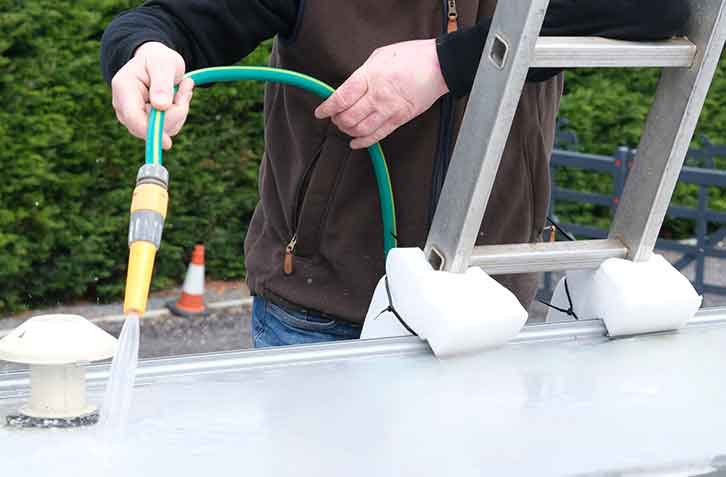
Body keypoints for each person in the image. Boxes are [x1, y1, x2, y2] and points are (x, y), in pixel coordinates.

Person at [101, 0, 690, 348]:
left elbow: (660, 6)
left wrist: (442, 64)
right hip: (322, 316)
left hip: (489, 311)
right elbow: (172, 18)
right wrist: (144, 49)